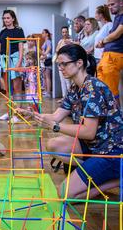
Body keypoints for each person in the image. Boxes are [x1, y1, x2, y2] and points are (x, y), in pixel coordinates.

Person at [17, 44, 122, 199]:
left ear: (79, 63)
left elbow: (88, 132)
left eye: (64, 64)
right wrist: (32, 115)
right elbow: (56, 116)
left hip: (111, 150)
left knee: (65, 194)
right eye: (59, 64)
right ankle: (93, 170)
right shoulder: (76, 87)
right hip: (95, 146)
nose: (60, 68)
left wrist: (56, 127)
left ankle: (115, 180)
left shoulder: (92, 88)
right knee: (53, 145)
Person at [0, 9, 25, 123]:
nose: (6, 20)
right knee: (7, 88)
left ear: (13, 18)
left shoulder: (19, 30)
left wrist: (18, 63)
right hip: (4, 61)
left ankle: (17, 114)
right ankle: (9, 112)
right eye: (4, 18)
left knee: (17, 87)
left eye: (8, 18)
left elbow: (21, 47)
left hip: (15, 59)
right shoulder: (2, 32)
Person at [96, 0, 123, 106]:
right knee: (102, 86)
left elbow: (117, 34)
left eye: (113, 4)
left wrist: (103, 41)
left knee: (111, 90)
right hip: (106, 55)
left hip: (114, 55)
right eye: (109, 5)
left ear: (121, 3)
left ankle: (116, 118)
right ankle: (109, 115)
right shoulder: (117, 18)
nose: (110, 7)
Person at [55, 26, 72, 102]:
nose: (64, 33)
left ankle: (70, 98)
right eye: (63, 32)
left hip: (67, 63)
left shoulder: (71, 41)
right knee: (62, 81)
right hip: (60, 63)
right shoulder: (60, 41)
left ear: (68, 32)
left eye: (66, 32)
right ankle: (64, 97)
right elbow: (57, 50)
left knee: (68, 81)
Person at [40, 29, 53, 98]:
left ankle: (48, 92)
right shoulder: (45, 42)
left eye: (43, 33)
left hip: (47, 60)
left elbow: (49, 49)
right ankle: (45, 91)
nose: (42, 34)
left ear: (47, 34)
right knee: (45, 76)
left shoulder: (48, 41)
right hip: (44, 60)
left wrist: (43, 55)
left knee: (47, 77)